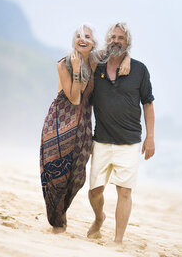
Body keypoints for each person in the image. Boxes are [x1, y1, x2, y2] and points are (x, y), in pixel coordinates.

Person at [40, 24, 131, 234]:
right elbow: (74, 97)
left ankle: (61, 212)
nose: (83, 39)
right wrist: (79, 70)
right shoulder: (64, 64)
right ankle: (57, 221)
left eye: (87, 36)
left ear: (93, 42)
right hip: (60, 122)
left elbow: (118, 51)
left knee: (77, 176)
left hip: (82, 125)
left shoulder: (96, 59)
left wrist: (125, 60)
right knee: (56, 174)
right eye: (79, 36)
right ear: (74, 41)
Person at [87, 22, 155, 244]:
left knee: (124, 192)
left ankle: (118, 241)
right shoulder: (97, 66)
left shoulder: (139, 70)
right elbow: (85, 53)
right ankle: (99, 218)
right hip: (102, 140)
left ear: (128, 43)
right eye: (113, 37)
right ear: (108, 40)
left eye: (121, 38)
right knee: (95, 191)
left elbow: (148, 104)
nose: (116, 40)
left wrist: (150, 137)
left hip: (129, 142)